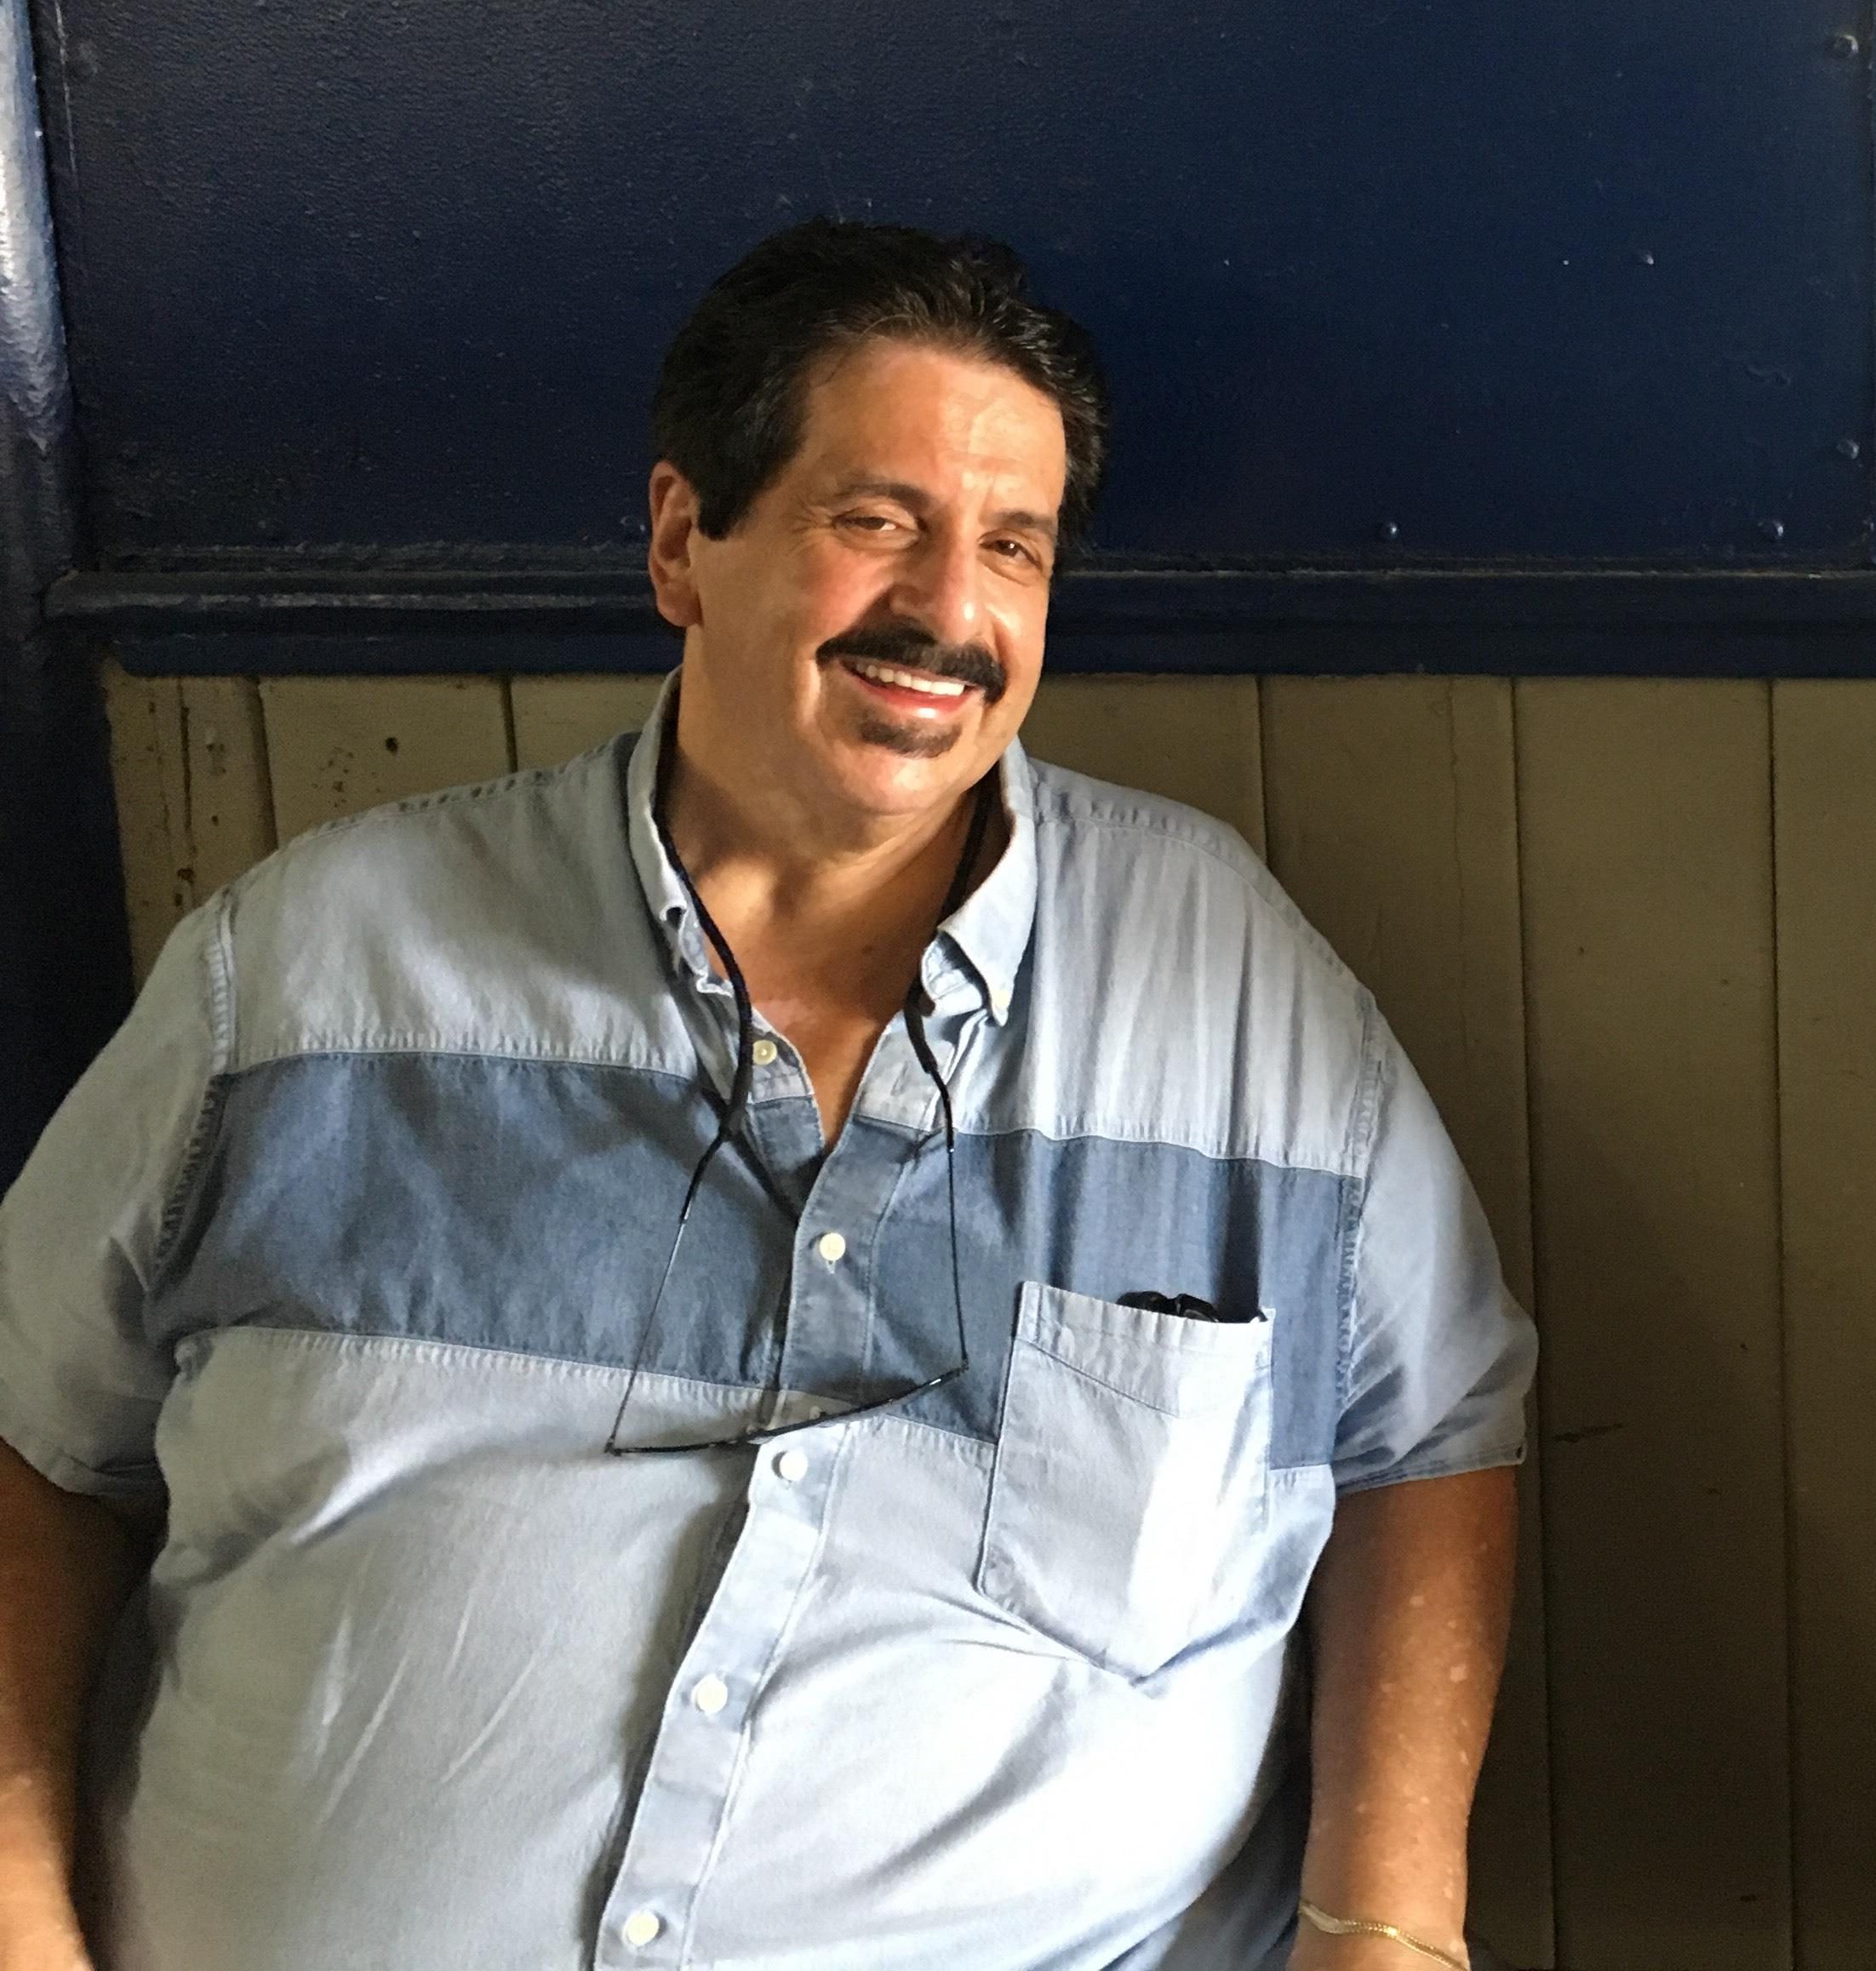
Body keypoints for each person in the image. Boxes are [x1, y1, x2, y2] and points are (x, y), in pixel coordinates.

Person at [0, 222, 1535, 1971]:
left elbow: (1427, 1436)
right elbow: (32, 1439)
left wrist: (1385, 1930)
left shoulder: (1234, 993)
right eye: (875, 520)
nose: (951, 611)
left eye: (1011, 549)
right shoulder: (303, 975)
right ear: (683, 541)